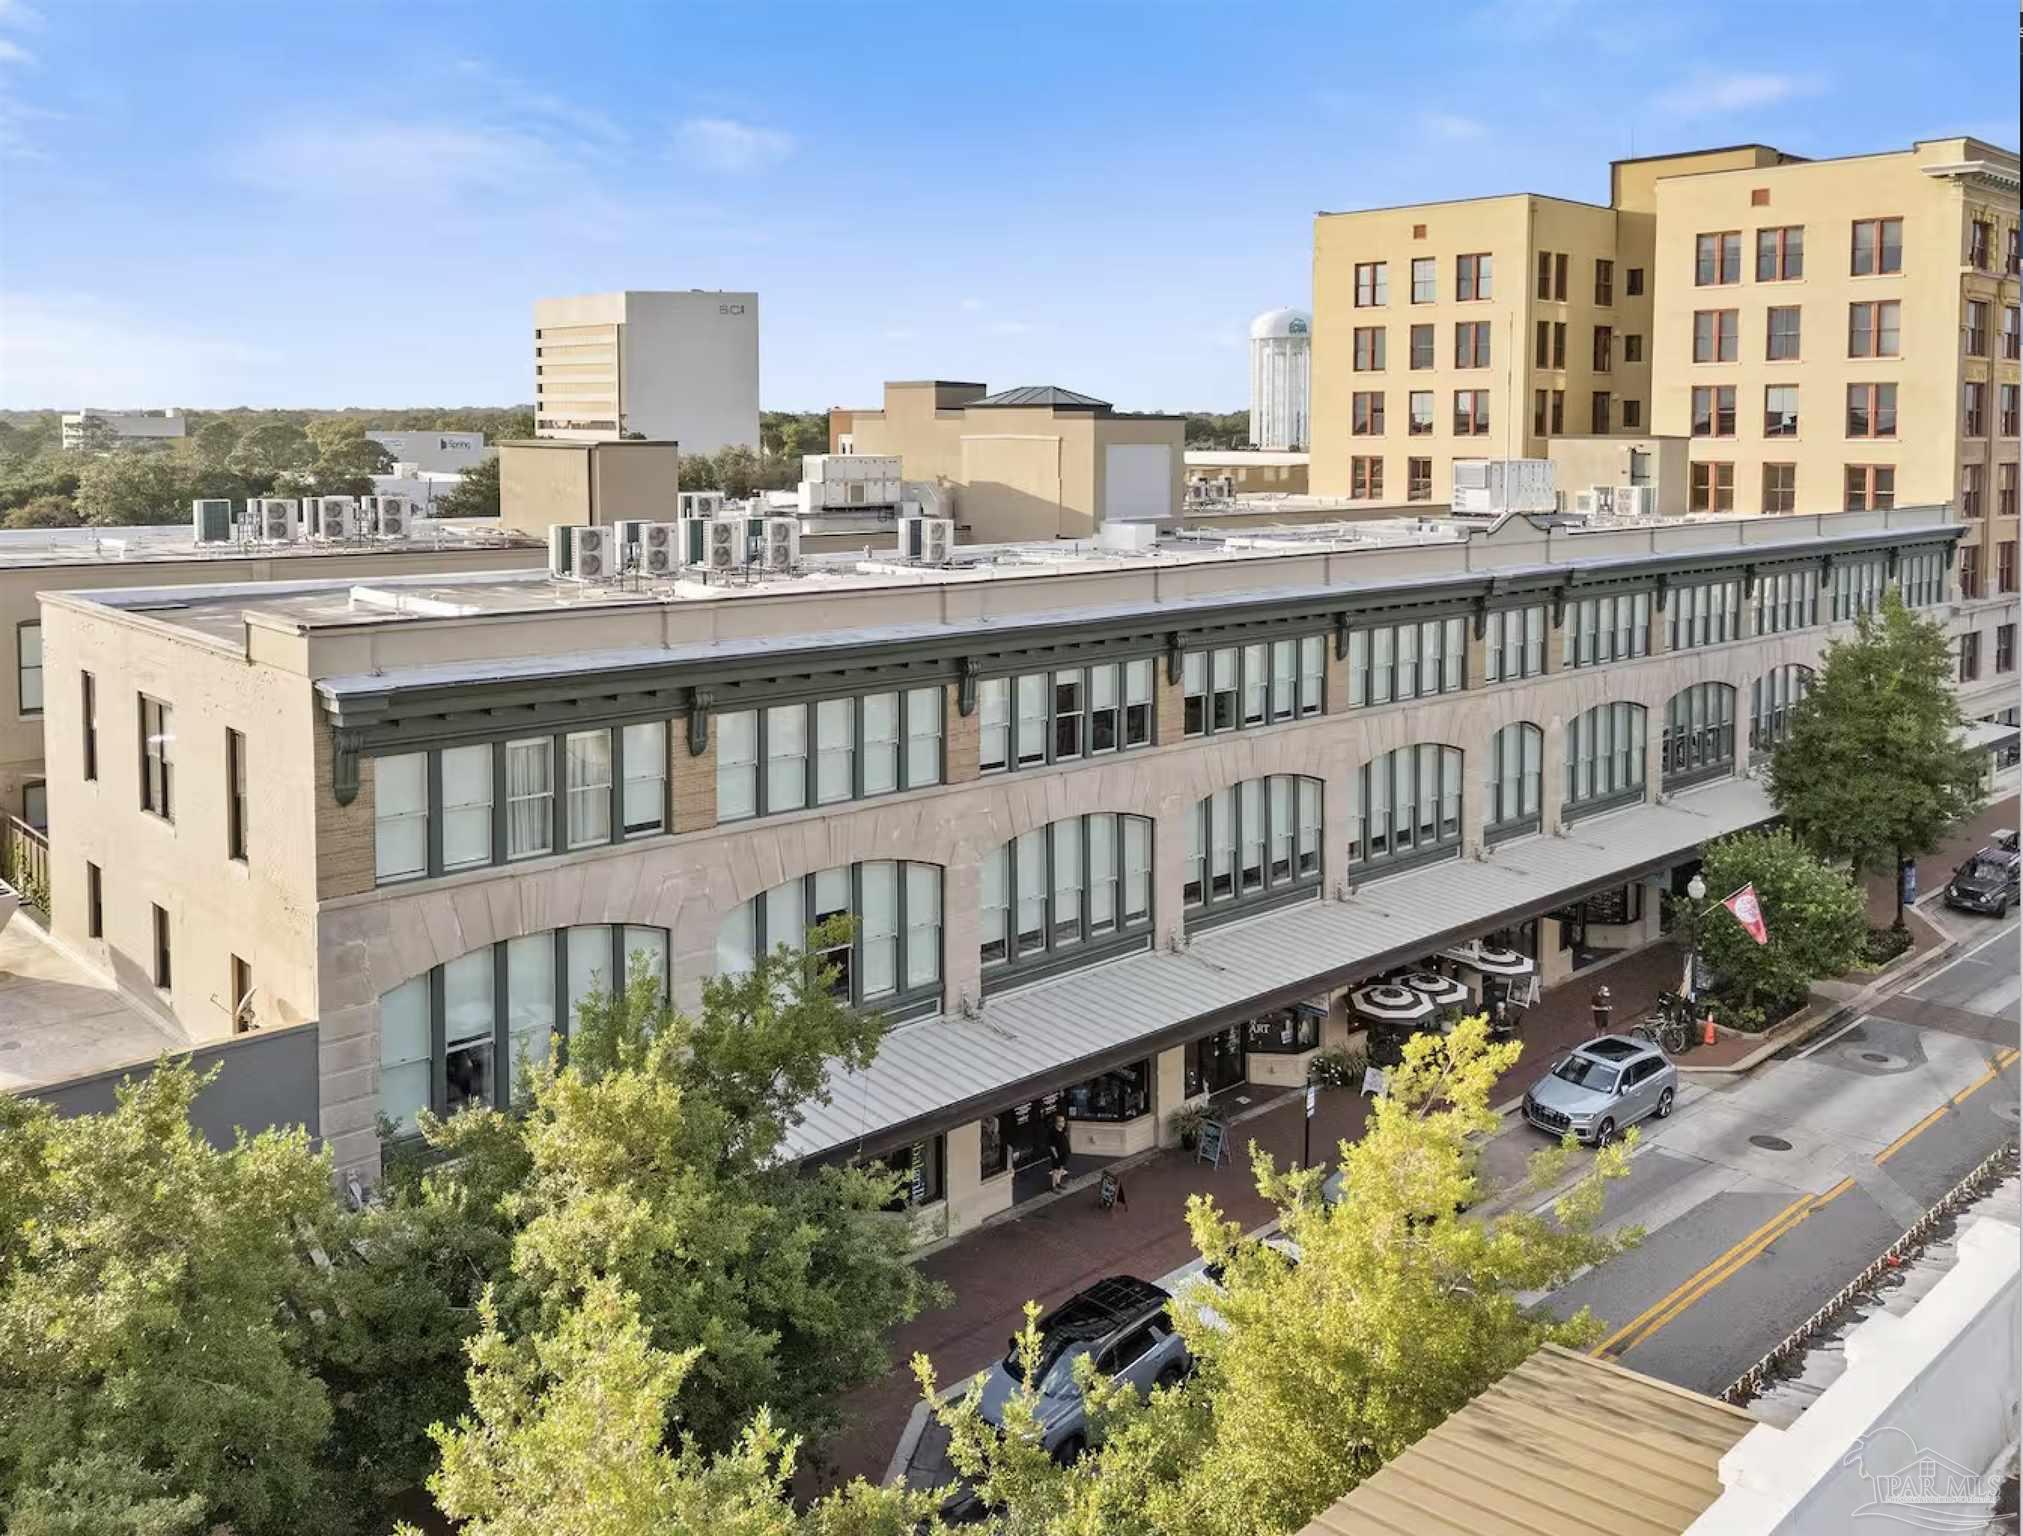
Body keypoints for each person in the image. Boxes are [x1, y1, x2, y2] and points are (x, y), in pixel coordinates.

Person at [1047, 1111, 1072, 1192]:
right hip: (1057, 1155)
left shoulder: (1062, 1130)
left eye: (1064, 1121)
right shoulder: (1053, 1132)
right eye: (1061, 1121)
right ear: (1057, 1123)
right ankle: (1053, 1186)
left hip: (1064, 1153)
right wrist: (1056, 1156)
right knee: (1055, 1170)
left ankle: (1058, 1182)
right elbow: (1052, 1146)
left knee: (1061, 1168)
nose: (1063, 1123)